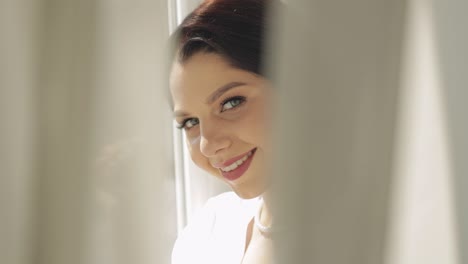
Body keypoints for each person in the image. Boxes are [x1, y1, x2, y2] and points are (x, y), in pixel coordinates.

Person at [169, 0, 280, 263]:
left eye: (231, 103)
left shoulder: (382, 230)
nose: (207, 145)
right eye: (190, 122)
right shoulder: (205, 234)